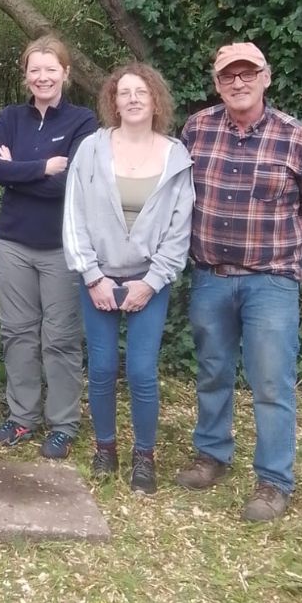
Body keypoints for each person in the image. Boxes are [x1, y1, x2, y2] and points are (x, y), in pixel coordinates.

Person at [175, 43, 302, 522]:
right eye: (229, 76)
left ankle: (273, 481)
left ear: (267, 78)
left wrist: (283, 252)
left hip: (271, 283)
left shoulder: (298, 138)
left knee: (270, 383)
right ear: (217, 83)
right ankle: (211, 455)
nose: (238, 83)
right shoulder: (196, 129)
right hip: (210, 277)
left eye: (248, 74)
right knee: (212, 371)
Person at [61, 64, 192, 493]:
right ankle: (105, 449)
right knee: (100, 368)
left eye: (141, 92)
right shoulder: (91, 149)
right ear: (112, 102)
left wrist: (151, 282)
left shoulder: (176, 156)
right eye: (124, 93)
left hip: (148, 281)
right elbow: (74, 215)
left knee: (140, 371)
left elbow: (179, 228)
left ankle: (144, 456)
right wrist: (93, 277)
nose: (133, 99)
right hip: (98, 277)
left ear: (156, 101)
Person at [0, 37, 97, 458]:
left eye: (51, 69)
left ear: (66, 72)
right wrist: (43, 167)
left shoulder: (84, 122)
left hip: (62, 247)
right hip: (12, 242)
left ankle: (63, 424)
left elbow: (73, 184)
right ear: (25, 75)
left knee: (61, 339)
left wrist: (18, 171)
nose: (42, 77)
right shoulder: (11, 116)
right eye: (35, 70)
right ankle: (22, 418)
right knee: (17, 333)